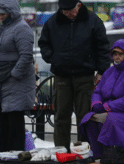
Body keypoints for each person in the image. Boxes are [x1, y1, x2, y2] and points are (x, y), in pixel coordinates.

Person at [38, 0, 111, 152]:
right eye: (64, 11)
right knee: (60, 116)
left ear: (78, 5)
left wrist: (102, 71)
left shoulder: (93, 21)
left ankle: (83, 152)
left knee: (84, 118)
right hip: (62, 76)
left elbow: (103, 47)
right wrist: (53, 58)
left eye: (70, 11)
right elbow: (44, 44)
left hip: (84, 76)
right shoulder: (53, 22)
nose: (68, 14)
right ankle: (61, 152)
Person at [79, 39, 124, 159]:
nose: (116, 57)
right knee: (89, 119)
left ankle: (113, 154)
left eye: (120, 54)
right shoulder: (109, 72)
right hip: (112, 111)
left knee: (108, 120)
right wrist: (96, 103)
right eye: (115, 54)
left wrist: (106, 107)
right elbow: (98, 91)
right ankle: (98, 155)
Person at [0, 0, 36, 155]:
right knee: (0, 117)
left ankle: (15, 154)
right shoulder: (3, 29)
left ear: (12, 12)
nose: (0, 16)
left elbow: (26, 56)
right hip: (2, 80)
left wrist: (14, 74)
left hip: (17, 82)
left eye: (3, 13)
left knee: (14, 118)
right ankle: (1, 152)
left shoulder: (22, 29)